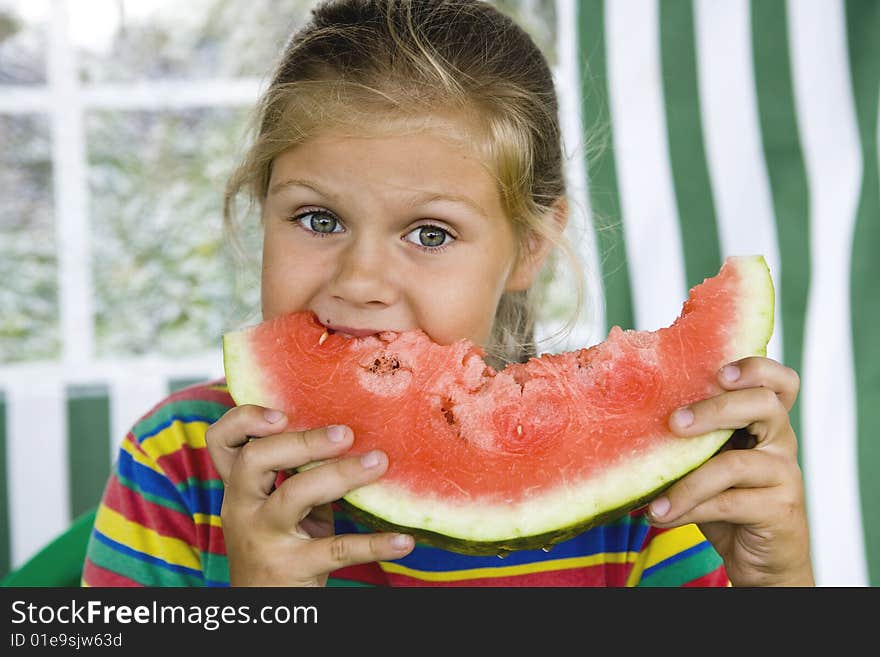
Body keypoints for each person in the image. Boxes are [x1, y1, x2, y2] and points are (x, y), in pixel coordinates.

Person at [81, 0, 813, 587]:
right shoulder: (176, 464)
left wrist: (775, 583)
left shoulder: (649, 500)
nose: (360, 280)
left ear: (528, 245)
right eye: (318, 218)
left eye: (429, 233)